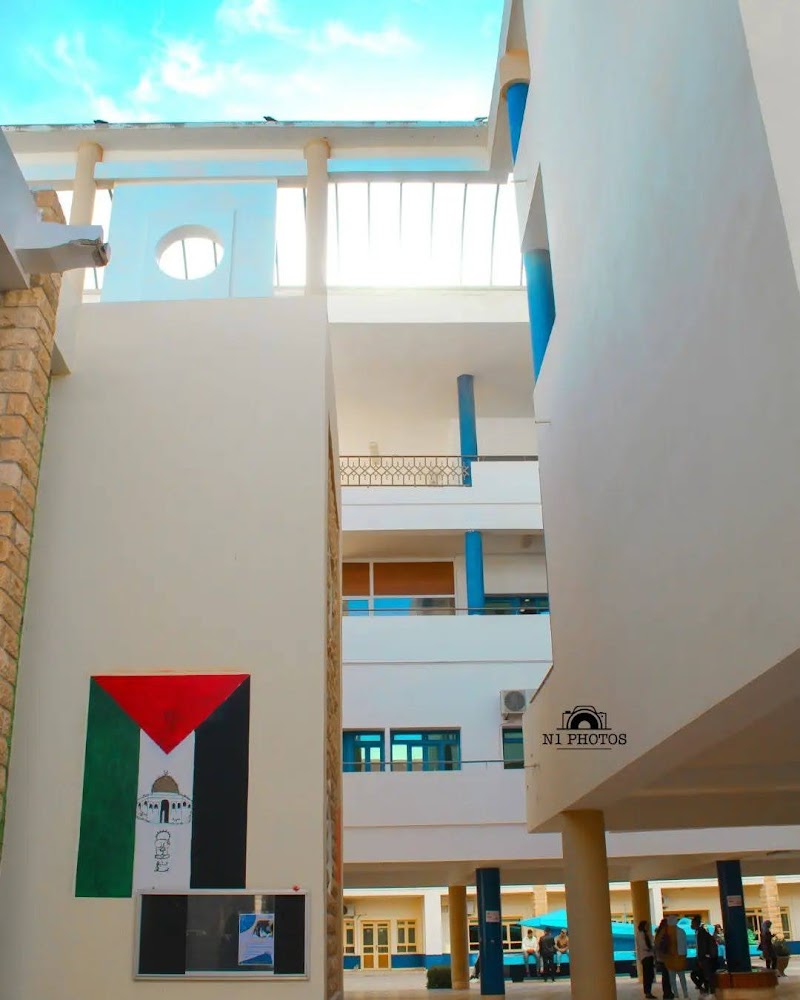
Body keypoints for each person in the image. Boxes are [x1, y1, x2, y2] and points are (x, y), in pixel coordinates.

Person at [690, 916, 718, 997]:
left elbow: (702, 947)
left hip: (704, 958)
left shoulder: (701, 933)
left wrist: (701, 959)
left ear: (696, 923)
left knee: (704, 975)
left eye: (692, 923)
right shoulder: (700, 932)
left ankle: (710, 991)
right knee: (704, 975)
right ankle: (707, 990)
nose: (691, 925)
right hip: (704, 958)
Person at [655, 917, 677, 999]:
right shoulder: (665, 933)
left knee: (665, 976)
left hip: (661, 958)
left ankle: (667, 993)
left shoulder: (658, 933)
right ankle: (668, 993)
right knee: (667, 976)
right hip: (666, 958)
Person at [636, 920, 657, 999]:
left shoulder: (646, 934)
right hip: (645, 956)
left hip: (648, 956)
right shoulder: (641, 934)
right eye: (646, 925)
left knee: (650, 975)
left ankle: (648, 991)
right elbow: (644, 946)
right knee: (648, 975)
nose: (648, 927)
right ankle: (647, 992)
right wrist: (652, 948)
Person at [670, 916, 689, 999]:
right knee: (682, 978)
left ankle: (676, 995)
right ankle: (685, 994)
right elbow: (685, 946)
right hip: (680, 957)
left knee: (672, 979)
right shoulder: (682, 931)